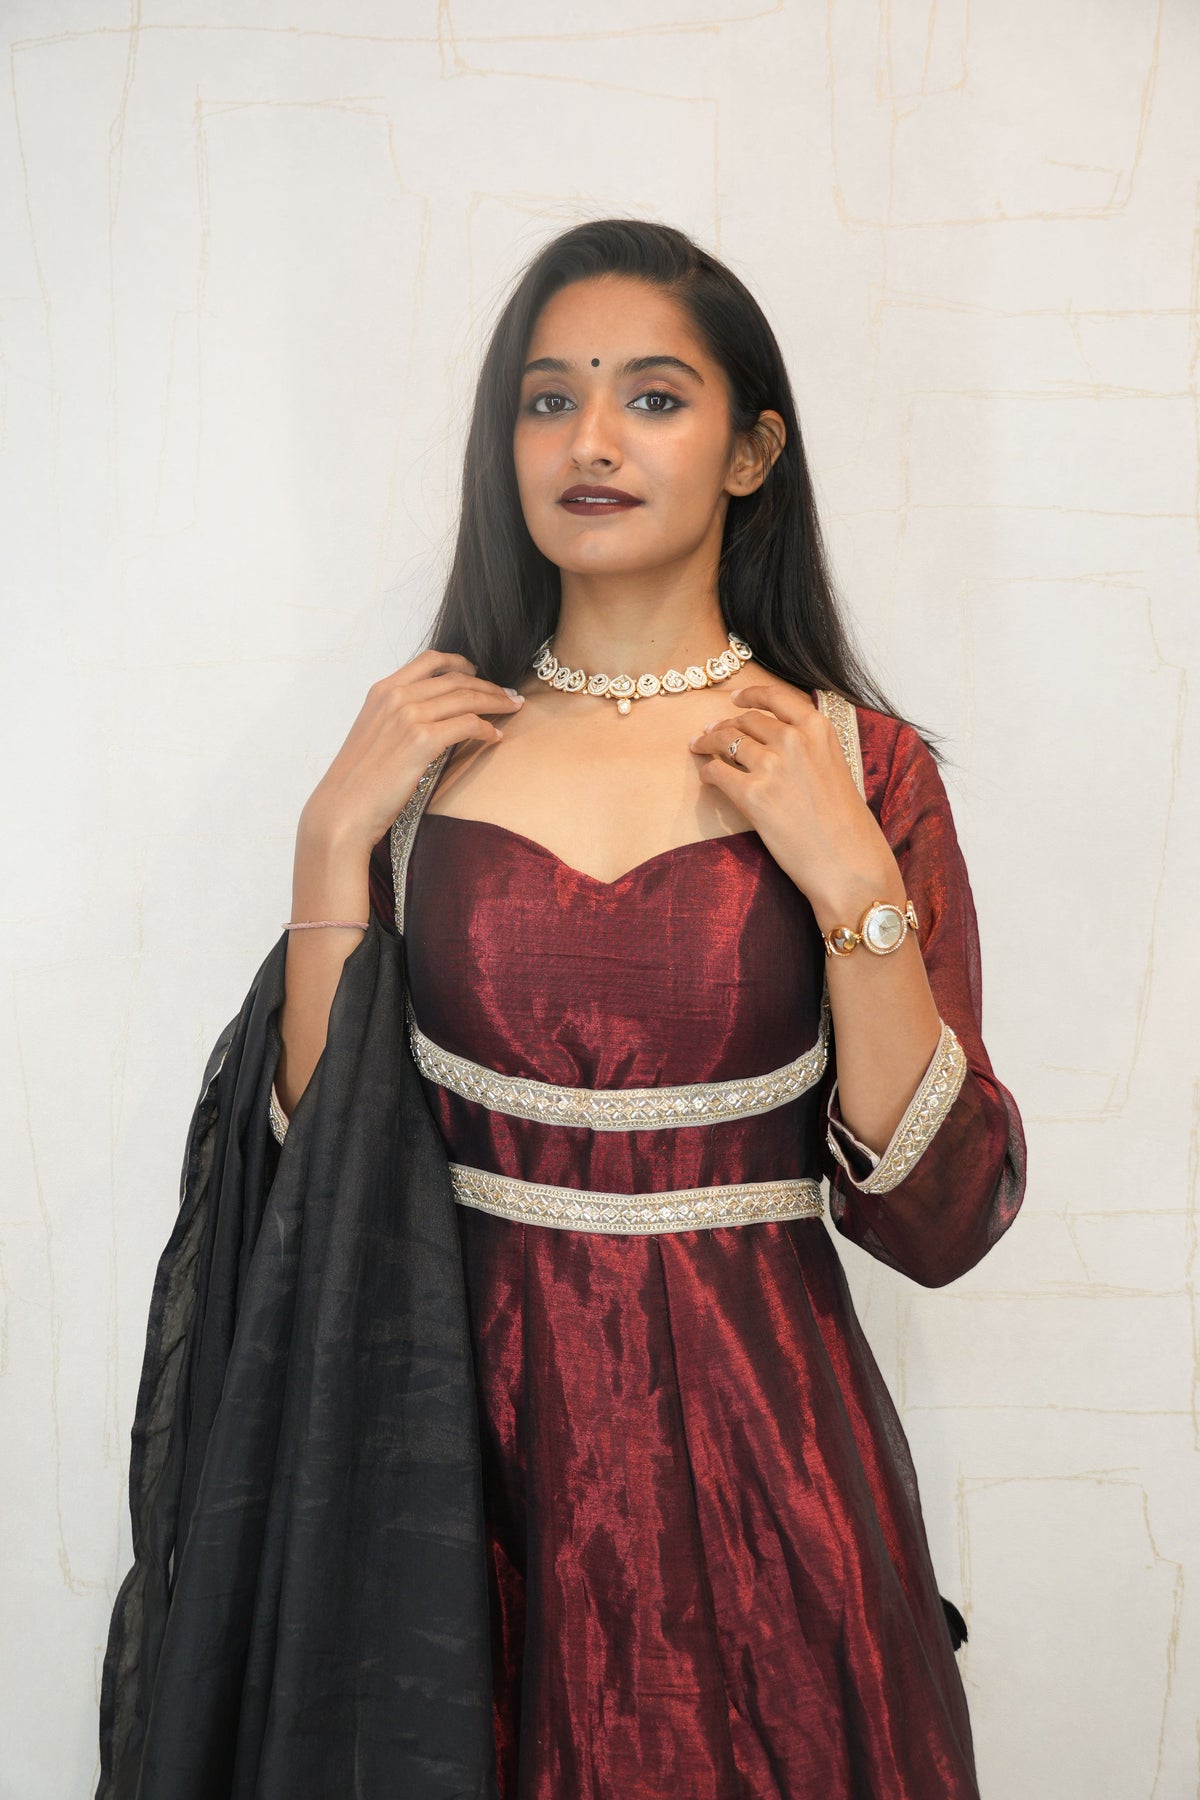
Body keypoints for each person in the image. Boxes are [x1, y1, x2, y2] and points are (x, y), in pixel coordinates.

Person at [98, 219, 1025, 1800]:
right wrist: (328, 843)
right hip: (447, 1478)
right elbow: (321, 1191)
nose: (590, 441)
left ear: (753, 450)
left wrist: (851, 876)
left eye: (654, 398)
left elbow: (938, 1222)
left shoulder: (856, 768)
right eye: (547, 401)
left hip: (764, 1474)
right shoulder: (426, 757)